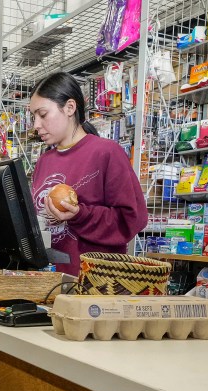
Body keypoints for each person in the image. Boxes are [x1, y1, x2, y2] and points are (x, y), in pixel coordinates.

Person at [28, 71, 148, 276]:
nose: (36, 125)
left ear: (70, 107)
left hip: (94, 285)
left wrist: (80, 215)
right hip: (49, 281)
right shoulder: (43, 161)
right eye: (33, 117)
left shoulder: (106, 152)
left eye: (43, 114)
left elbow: (131, 219)